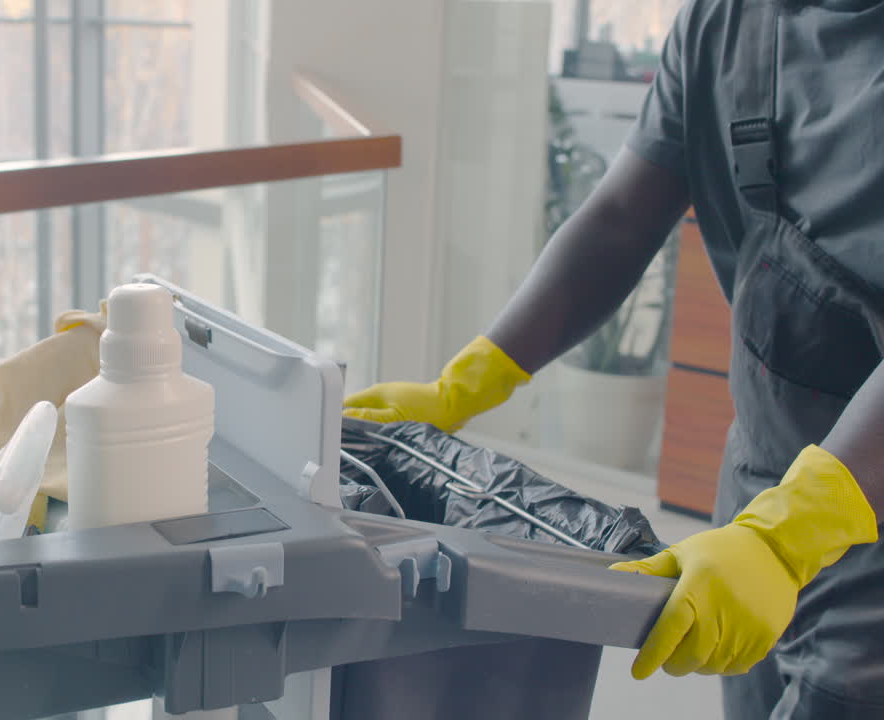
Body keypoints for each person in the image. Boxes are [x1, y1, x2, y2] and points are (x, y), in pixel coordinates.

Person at [344, 0, 884, 717]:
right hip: (761, 477)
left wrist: (791, 539)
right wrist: (469, 381)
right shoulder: (726, 23)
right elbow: (621, 220)